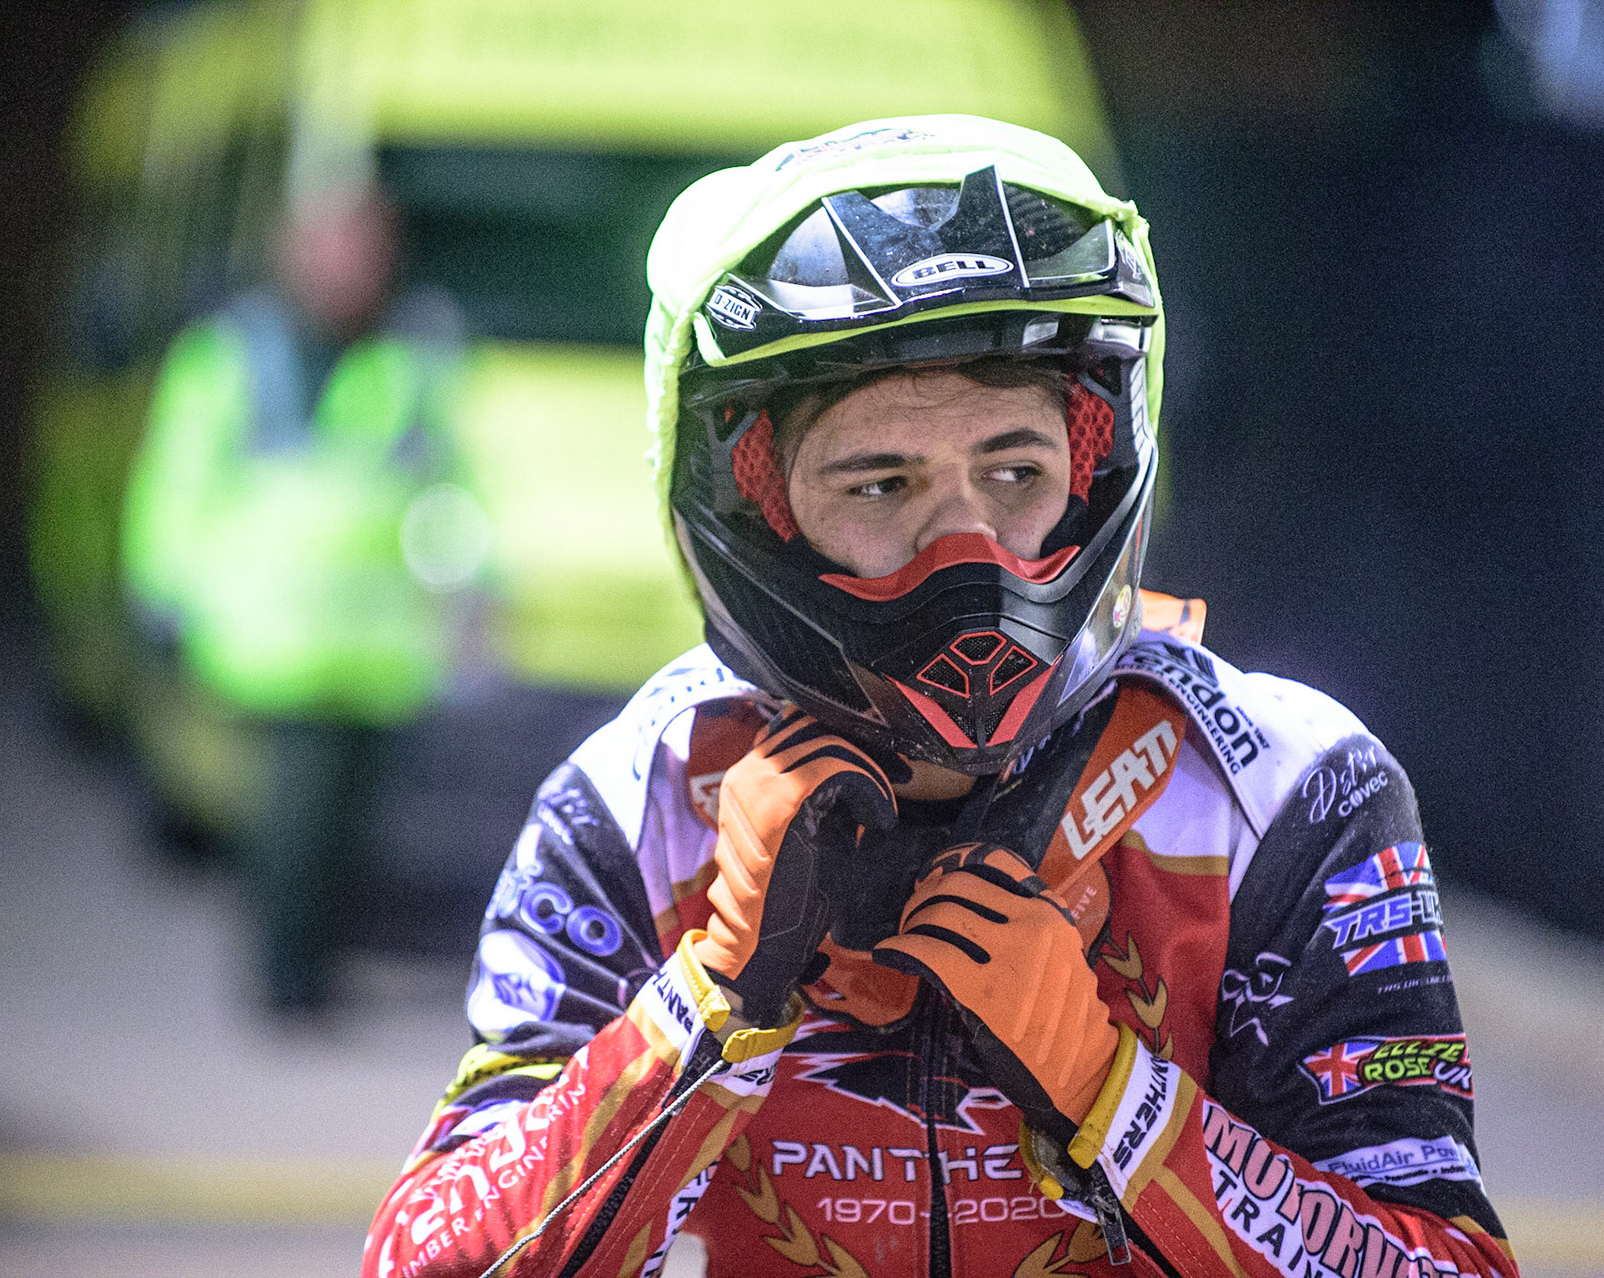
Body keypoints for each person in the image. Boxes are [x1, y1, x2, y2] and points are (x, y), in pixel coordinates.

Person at [365, 116, 1518, 1278]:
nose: (968, 549)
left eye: (1015, 471)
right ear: (756, 503)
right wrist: (707, 1006)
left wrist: (1116, 1099)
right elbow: (422, 1262)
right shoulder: (641, 802)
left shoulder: (1283, 791)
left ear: (1090, 471)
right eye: (881, 482)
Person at [121, 186, 478, 1013]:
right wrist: (163, 594)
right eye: (337, 246)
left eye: (368, 247)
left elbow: (451, 490)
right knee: (294, 821)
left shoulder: (412, 355)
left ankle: (310, 967)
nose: (354, 266)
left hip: (378, 646)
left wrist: (470, 594)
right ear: (295, 251)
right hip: (271, 640)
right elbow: (177, 482)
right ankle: (288, 982)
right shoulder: (232, 354)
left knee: (345, 826)